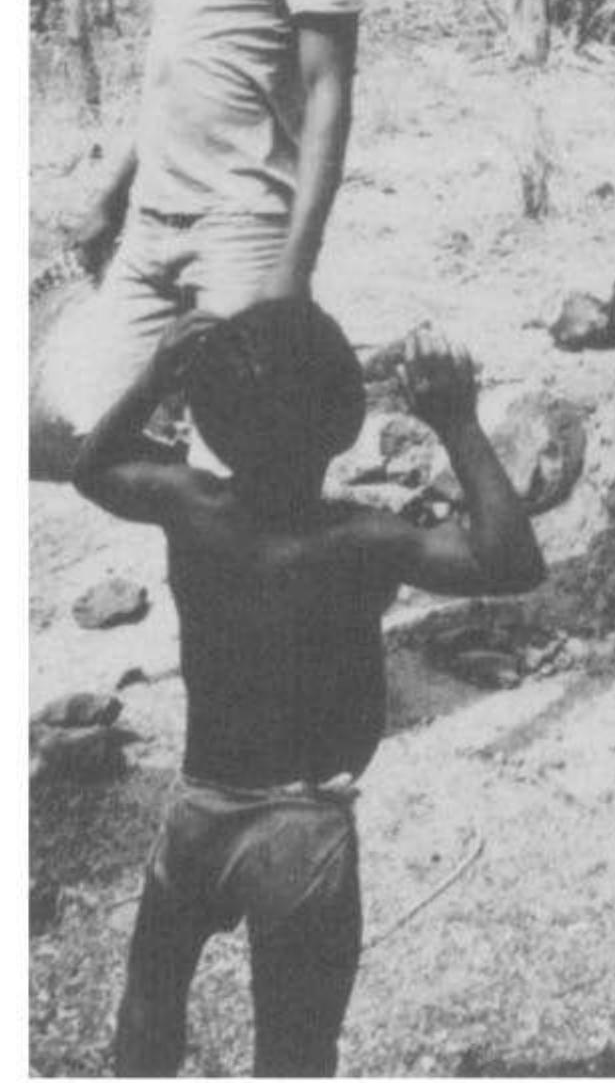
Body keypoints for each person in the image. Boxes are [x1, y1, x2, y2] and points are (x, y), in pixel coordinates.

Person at [71, 299, 547, 1077]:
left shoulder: (189, 505)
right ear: (346, 421)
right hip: (303, 830)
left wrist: (155, 374)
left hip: (199, 808)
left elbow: (94, 469)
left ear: (205, 416)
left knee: (149, 1007)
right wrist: (457, 422)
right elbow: (512, 562)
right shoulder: (361, 539)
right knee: (294, 1051)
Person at [68, 0, 364, 448]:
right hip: (151, 223)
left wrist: (294, 270)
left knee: (242, 448)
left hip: (243, 226)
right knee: (92, 425)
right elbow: (175, 84)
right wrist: (113, 197)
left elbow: (329, 94)